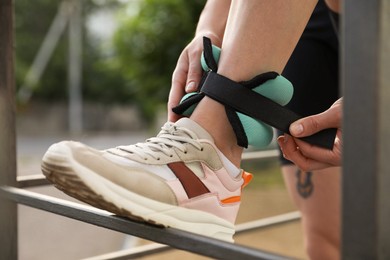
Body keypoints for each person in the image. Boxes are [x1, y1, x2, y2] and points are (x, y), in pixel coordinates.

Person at [41, 0, 342, 259]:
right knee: (326, 242)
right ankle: (211, 167)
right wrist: (207, 29)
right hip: (300, 25)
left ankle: (206, 162)